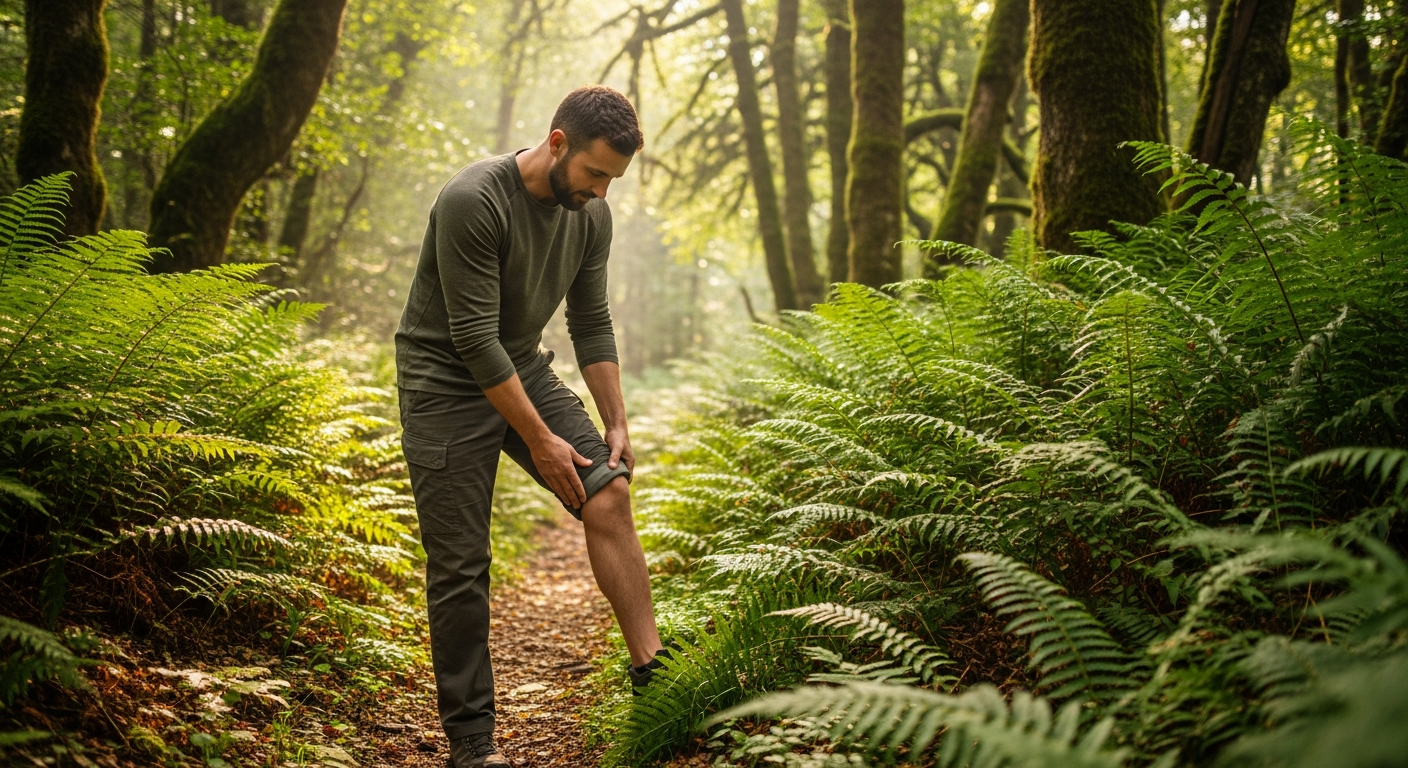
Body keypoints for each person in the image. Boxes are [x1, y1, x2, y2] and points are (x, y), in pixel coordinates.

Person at [394, 85, 669, 768]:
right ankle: (472, 744)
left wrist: (616, 423)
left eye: (613, 178)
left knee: (609, 490)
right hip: (443, 380)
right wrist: (542, 442)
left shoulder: (590, 217)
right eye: (595, 173)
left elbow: (591, 322)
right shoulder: (473, 200)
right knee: (460, 565)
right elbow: (471, 338)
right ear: (556, 143)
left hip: (519, 365)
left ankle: (654, 677)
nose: (603, 192)